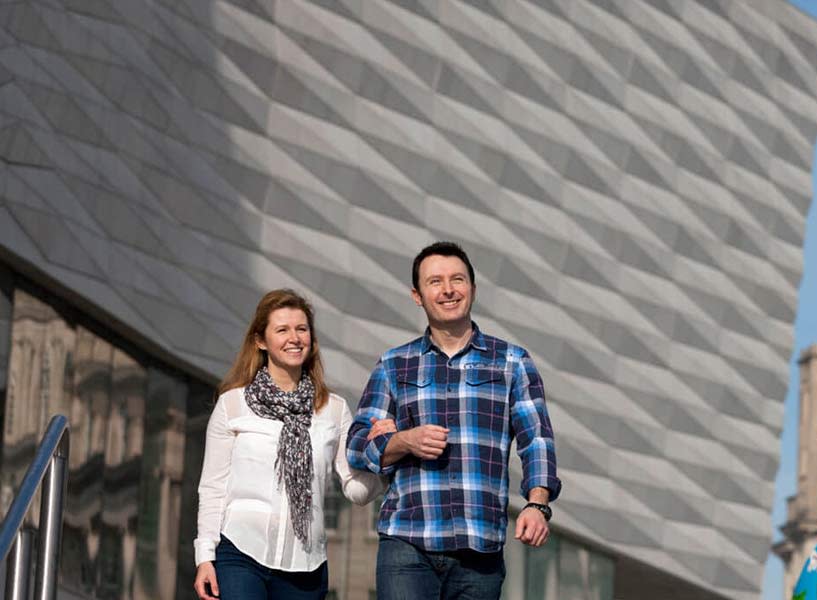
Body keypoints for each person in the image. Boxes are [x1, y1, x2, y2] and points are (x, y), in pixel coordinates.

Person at [347, 241, 561, 600]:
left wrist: (537, 504)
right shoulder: (394, 364)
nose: (448, 290)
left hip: (480, 548)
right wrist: (404, 440)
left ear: (473, 289)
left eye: (457, 279)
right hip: (407, 542)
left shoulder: (512, 362)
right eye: (435, 282)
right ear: (417, 296)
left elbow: (536, 440)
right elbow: (356, 446)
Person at [193, 289, 384, 600]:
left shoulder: (333, 409)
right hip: (241, 552)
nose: (294, 338)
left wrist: (385, 455)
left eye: (301, 329)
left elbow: (355, 488)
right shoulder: (233, 404)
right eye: (282, 330)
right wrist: (205, 557)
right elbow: (213, 488)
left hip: (306, 565)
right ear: (261, 340)